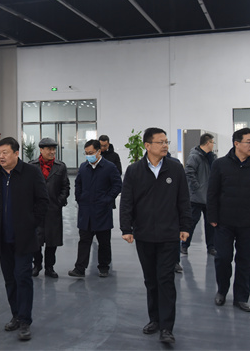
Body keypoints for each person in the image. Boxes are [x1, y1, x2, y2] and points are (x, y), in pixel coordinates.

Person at [120, 127, 191, 345]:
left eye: (166, 141)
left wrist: (185, 226)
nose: (165, 145)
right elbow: (127, 202)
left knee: (166, 280)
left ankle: (167, 327)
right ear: (147, 145)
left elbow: (183, 200)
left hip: (169, 235)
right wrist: (126, 228)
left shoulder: (175, 169)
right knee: (151, 280)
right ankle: (155, 320)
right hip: (144, 235)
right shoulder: (134, 171)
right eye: (160, 142)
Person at [0, 137, 48, 341]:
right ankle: (16, 316)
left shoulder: (31, 173)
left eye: (5, 153)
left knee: (23, 278)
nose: (0, 156)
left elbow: (42, 201)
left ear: (16, 153)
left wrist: (31, 223)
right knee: (10, 279)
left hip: (24, 238)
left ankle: (25, 321)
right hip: (2, 238)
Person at [207, 128, 250, 312]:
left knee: (245, 261)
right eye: (249, 142)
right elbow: (212, 193)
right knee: (223, 258)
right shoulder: (220, 164)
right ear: (236, 143)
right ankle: (222, 290)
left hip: (248, 223)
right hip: (223, 222)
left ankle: (241, 297)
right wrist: (212, 217)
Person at [68, 139, 121, 278]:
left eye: (91, 153)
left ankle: (103, 267)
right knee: (84, 240)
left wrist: (107, 199)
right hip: (86, 211)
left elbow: (117, 185)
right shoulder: (83, 167)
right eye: (86, 153)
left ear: (99, 152)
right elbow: (78, 184)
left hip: (102, 211)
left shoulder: (109, 167)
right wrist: (79, 198)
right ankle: (79, 268)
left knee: (104, 241)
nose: (88, 156)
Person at [28, 137, 70, 278]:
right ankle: (37, 264)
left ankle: (49, 267)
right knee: (35, 239)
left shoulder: (60, 167)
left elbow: (65, 186)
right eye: (49, 149)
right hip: (36, 210)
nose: (52, 152)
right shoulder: (32, 166)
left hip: (53, 209)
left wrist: (59, 202)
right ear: (41, 150)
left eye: (54, 149)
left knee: (52, 241)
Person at [183, 133, 217, 256]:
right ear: (208, 143)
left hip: (209, 197)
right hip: (196, 197)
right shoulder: (195, 156)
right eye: (213, 142)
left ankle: (211, 246)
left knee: (211, 223)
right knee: (191, 222)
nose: (213, 145)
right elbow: (189, 172)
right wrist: (197, 187)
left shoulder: (212, 157)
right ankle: (184, 245)